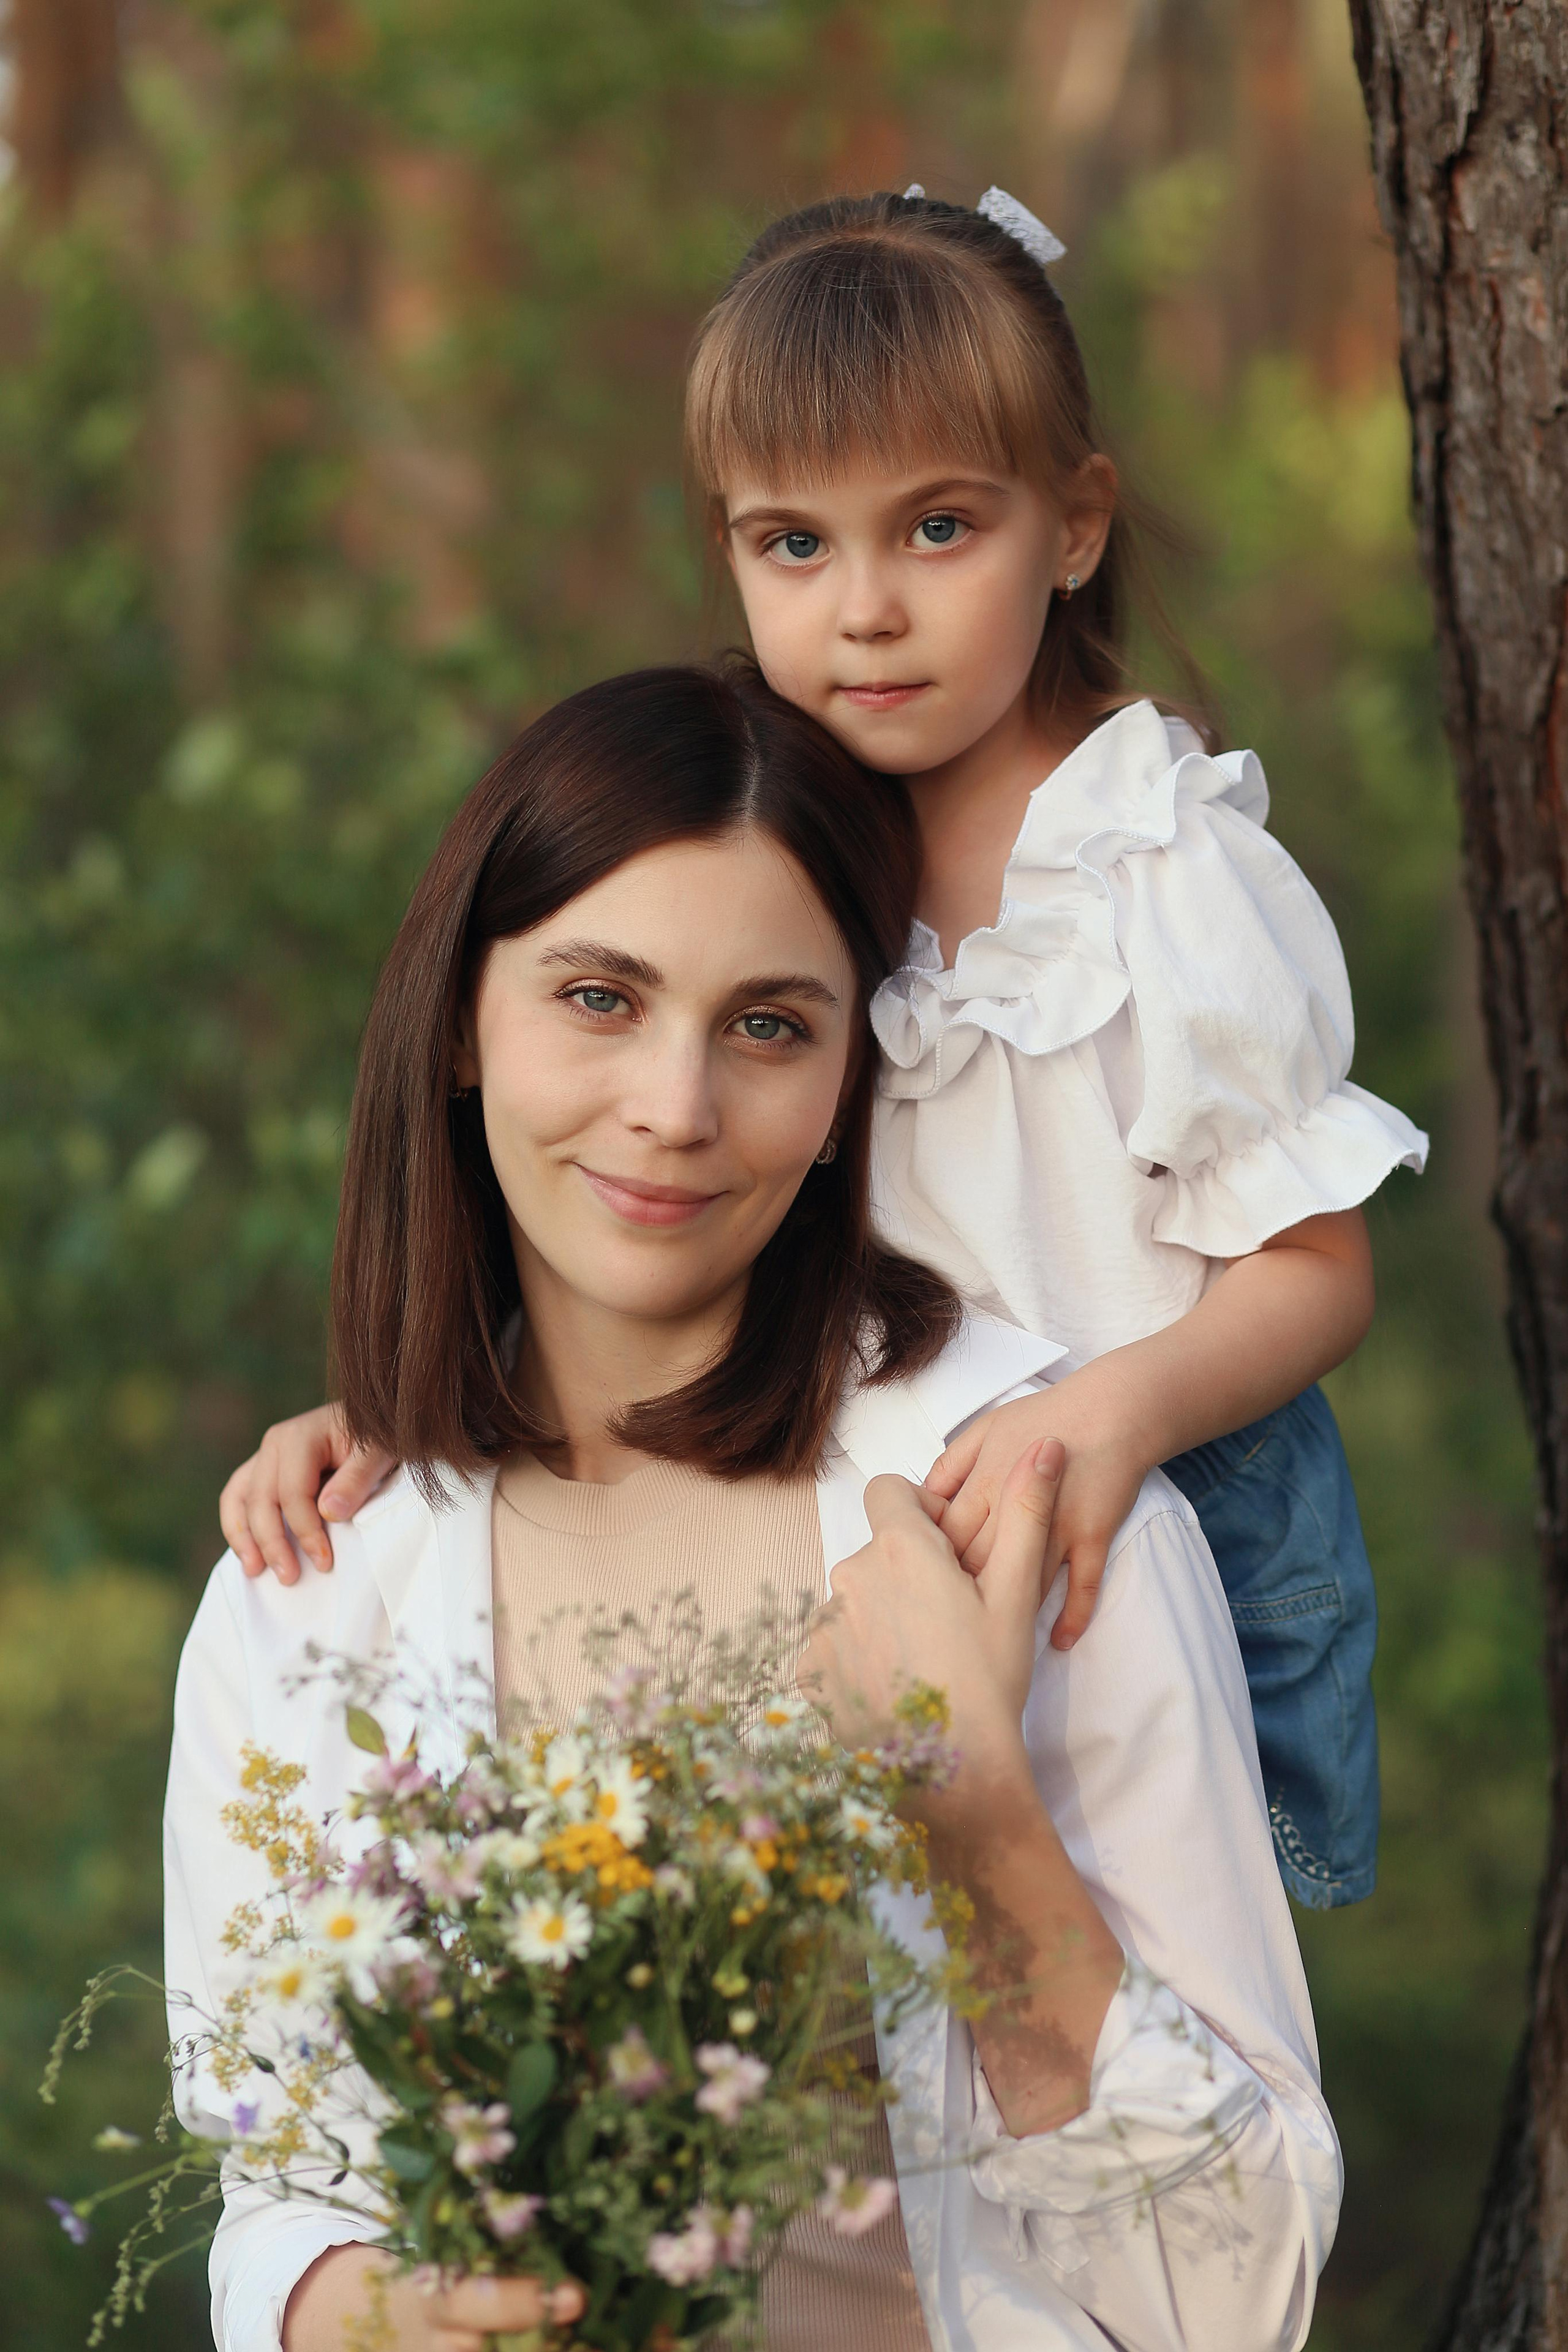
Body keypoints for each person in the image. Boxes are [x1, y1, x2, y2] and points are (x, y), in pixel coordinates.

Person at [223, 187, 1427, 1915]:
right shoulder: (783, 843)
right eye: (795, 544)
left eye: (938, 530)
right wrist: (413, 1415)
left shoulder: (1158, 867)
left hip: (1156, 1513)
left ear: (1074, 526)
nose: (864, 610)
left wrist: (1111, 1417)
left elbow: (1315, 1267)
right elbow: (650, 1193)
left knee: (1140, 2031)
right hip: (872, 1516)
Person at [166, 663, 1340, 2352]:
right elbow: (276, 2188)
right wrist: (354, 2310)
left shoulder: (1033, 1523)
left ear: (852, 1074)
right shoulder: (310, 1586)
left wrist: (980, 1826)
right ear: (454, 1028)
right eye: (598, 998)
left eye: (769, 1026)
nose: (677, 1108)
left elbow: (1248, 2297)